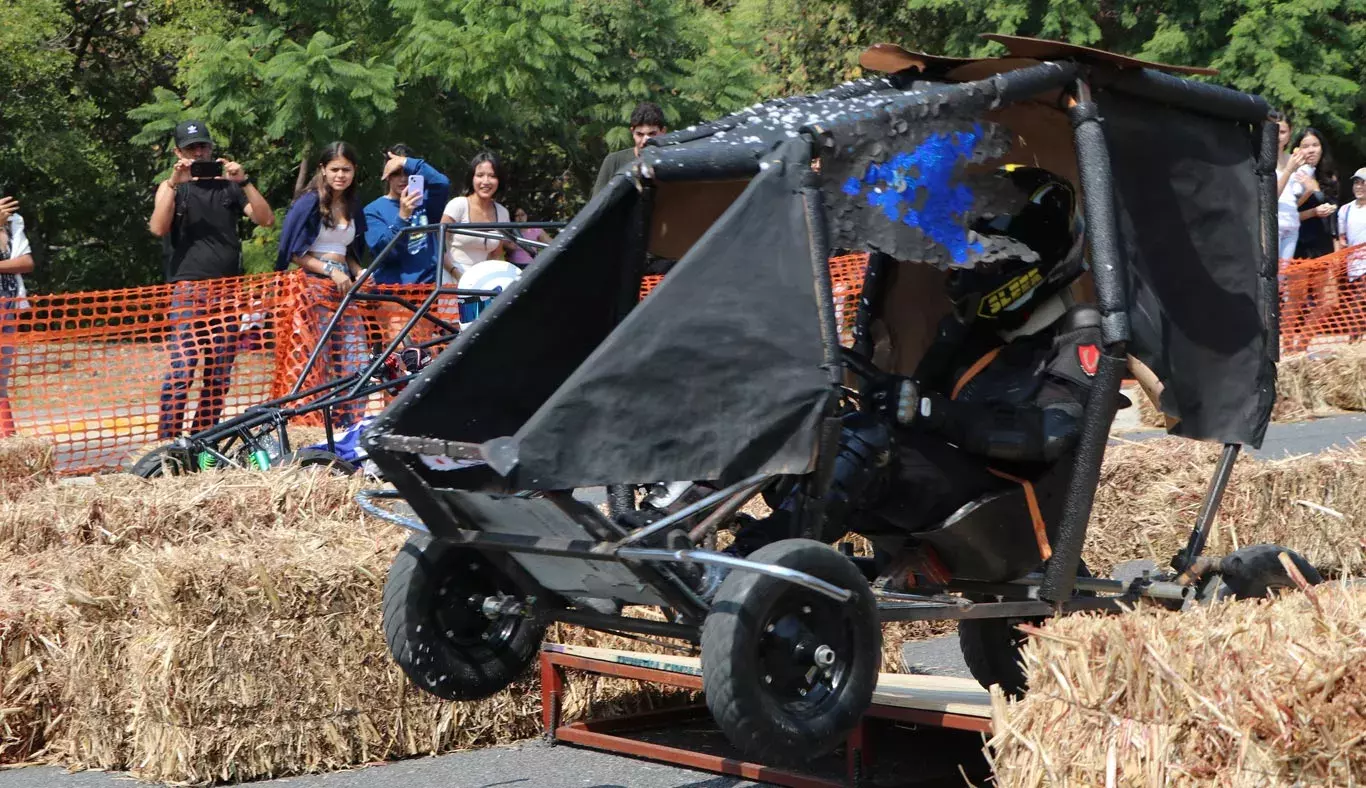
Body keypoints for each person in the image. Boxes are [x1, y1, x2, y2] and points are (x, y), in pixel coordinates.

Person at [690, 167, 1106, 596]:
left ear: (1031, 261)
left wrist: (928, 410)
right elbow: (911, 410)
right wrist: (884, 398)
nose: (968, 270)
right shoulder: (971, 333)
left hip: (1013, 512)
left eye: (986, 258)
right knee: (812, 421)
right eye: (968, 256)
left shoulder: (1077, 330)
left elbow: (1052, 432)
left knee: (865, 442)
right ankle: (676, 524)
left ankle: (749, 563)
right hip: (951, 493)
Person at [148, 119, 274, 440]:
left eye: (203, 146)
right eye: (192, 149)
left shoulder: (229, 186)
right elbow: (158, 228)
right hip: (189, 289)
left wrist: (244, 181)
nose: (199, 153)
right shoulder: (172, 187)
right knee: (183, 368)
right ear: (178, 152)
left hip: (227, 292)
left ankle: (203, 440)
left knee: (218, 373)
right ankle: (169, 443)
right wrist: (175, 183)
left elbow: (266, 219)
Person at [276, 141, 371, 429]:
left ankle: (350, 423)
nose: (341, 175)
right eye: (335, 169)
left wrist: (359, 271)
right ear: (322, 170)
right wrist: (331, 271)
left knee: (356, 358)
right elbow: (293, 252)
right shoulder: (308, 202)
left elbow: (351, 251)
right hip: (314, 286)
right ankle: (314, 424)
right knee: (319, 360)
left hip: (345, 286)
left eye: (347, 169)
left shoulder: (354, 204)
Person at [363, 145, 452, 284]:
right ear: (387, 176)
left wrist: (408, 162)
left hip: (429, 288)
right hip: (393, 293)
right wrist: (403, 217)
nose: (403, 179)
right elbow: (385, 254)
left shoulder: (426, 202)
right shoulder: (373, 210)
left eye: (408, 173)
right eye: (396, 173)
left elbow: (442, 183)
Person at [441, 151, 511, 281]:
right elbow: (437, 246)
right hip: (451, 277)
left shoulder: (502, 213)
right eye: (480, 175)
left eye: (492, 176)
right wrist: (456, 273)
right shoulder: (458, 205)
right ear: (472, 178)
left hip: (482, 280)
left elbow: (496, 254)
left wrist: (483, 278)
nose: (486, 181)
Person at [0, 191, 35, 438]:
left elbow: (26, 263)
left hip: (8, 306)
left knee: (1, 384)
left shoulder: (13, 221)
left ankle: (7, 441)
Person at [592, 101, 667, 197]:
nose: (645, 140)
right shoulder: (614, 162)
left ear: (663, 132)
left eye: (652, 134)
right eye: (640, 134)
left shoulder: (671, 162)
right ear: (632, 132)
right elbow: (597, 204)